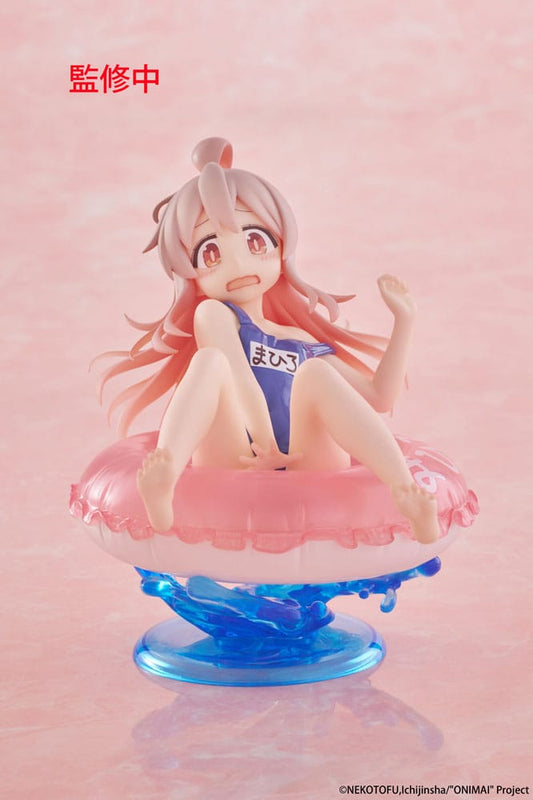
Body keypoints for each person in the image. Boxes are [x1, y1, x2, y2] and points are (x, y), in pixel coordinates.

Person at [100, 137, 439, 543]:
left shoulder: (299, 339)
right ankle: (164, 481)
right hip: (238, 456)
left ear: (281, 248)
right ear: (191, 274)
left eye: (255, 241)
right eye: (211, 253)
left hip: (303, 458)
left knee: (315, 374)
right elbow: (239, 375)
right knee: (210, 362)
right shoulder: (216, 315)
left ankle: (405, 493)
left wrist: (404, 320)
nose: (238, 263)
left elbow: (378, 398)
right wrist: (264, 447)